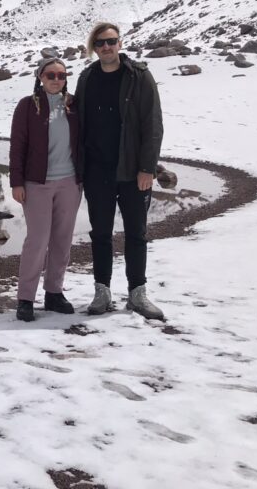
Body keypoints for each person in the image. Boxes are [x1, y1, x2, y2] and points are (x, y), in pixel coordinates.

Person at [74, 22, 165, 320]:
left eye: (111, 41)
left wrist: (147, 168)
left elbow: (153, 124)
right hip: (97, 170)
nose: (106, 47)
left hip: (132, 171)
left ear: (120, 43)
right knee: (100, 233)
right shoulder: (87, 77)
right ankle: (102, 292)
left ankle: (138, 294)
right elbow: (79, 123)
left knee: (136, 233)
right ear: (93, 47)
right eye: (100, 43)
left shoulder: (139, 76)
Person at [9, 57, 82, 322]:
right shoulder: (27, 106)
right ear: (41, 77)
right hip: (36, 184)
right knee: (37, 240)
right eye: (50, 75)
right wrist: (16, 182)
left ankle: (54, 293)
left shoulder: (74, 105)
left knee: (62, 240)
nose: (56, 80)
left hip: (70, 183)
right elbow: (17, 146)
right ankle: (26, 298)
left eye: (61, 75)